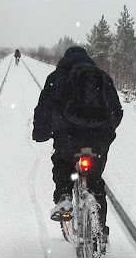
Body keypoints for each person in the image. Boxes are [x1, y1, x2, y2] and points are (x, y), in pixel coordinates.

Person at [32, 46, 123, 241]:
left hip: (68, 138)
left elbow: (43, 110)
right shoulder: (103, 77)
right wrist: (106, 130)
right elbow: (117, 111)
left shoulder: (56, 78)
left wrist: (41, 133)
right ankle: (100, 231)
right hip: (98, 138)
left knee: (62, 162)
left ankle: (65, 196)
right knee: (95, 181)